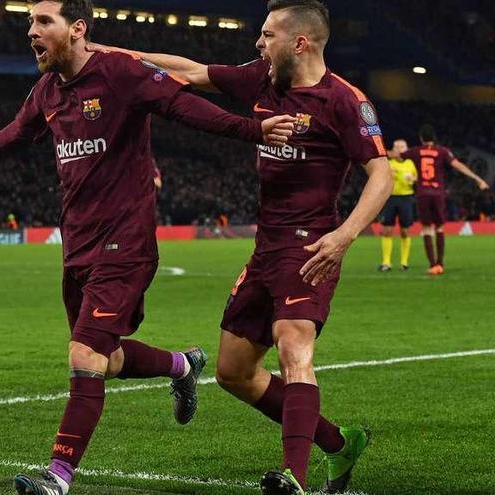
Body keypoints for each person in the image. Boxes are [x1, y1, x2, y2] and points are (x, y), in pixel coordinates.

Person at [0, 2, 296, 494]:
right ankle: (183, 364)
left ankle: (58, 477)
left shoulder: (120, 72)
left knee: (84, 354)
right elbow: (19, 132)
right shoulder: (48, 89)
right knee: (106, 360)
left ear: (77, 29)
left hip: (125, 242)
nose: (31, 31)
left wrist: (251, 128)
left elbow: (184, 105)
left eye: (42, 21)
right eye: (29, 22)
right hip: (78, 247)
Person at [89, 1, 393, 493]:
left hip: (311, 246)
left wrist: (344, 235)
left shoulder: (345, 101)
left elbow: (381, 175)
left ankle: (291, 476)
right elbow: (186, 70)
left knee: (295, 346)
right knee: (233, 371)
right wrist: (108, 53)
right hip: (266, 249)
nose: (258, 42)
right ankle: (339, 444)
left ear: (301, 42)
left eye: (268, 34)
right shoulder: (260, 79)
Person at [389, 124, 489, 275]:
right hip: (437, 193)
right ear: (434, 138)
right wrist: (477, 178)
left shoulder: (415, 151)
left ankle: (432, 265)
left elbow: (394, 156)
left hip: (423, 194)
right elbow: (458, 166)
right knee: (440, 228)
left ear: (421, 138)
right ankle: (440, 264)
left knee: (427, 229)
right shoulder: (442, 151)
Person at [379, 139, 416, 271]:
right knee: (387, 230)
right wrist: (388, 176)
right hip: (390, 198)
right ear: (393, 149)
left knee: (405, 231)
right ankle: (386, 262)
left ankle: (404, 263)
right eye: (397, 147)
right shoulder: (388, 164)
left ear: (407, 149)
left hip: (406, 198)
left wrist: (413, 179)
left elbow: (418, 179)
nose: (400, 149)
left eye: (402, 147)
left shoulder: (411, 163)